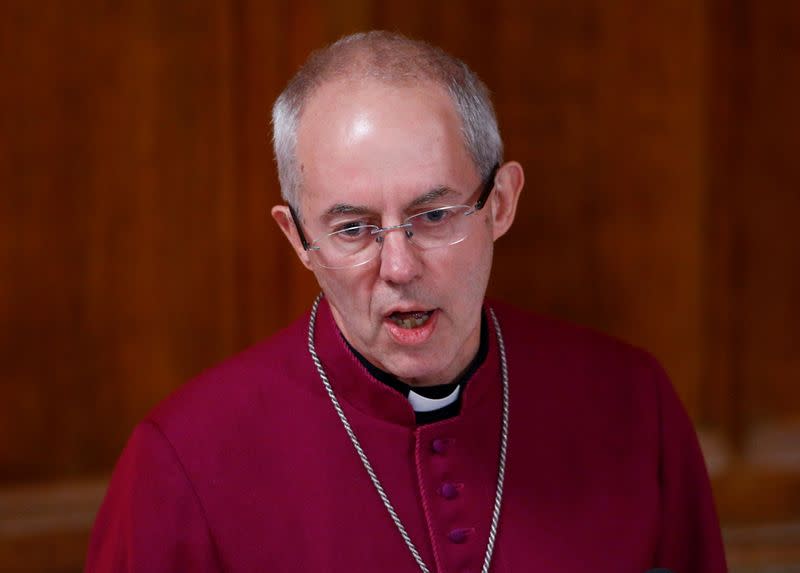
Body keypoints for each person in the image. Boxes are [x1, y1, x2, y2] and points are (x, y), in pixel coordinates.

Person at [85, 31, 727, 572]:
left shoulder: (633, 404)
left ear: (500, 203)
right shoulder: (179, 462)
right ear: (298, 238)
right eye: (352, 228)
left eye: (434, 213)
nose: (399, 267)